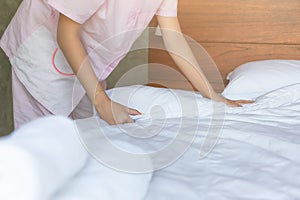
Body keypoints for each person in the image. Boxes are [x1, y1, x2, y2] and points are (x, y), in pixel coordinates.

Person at [0, 0, 252, 128]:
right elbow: (66, 33)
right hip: (41, 52)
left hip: (88, 56)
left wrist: (211, 93)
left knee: (87, 136)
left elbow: (173, 37)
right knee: (43, 146)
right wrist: (102, 100)